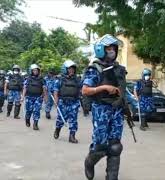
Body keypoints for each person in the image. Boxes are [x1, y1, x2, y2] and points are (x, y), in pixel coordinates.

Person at [82, 34, 127, 180]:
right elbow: (85, 90)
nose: (112, 50)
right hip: (101, 108)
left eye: (114, 47)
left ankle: (112, 177)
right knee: (100, 147)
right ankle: (89, 162)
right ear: (101, 49)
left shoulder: (118, 69)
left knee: (115, 146)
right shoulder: (94, 68)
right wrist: (104, 87)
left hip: (117, 109)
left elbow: (122, 88)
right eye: (109, 48)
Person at [53, 60, 81, 144]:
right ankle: (57, 130)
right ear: (65, 69)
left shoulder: (77, 80)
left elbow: (81, 89)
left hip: (74, 102)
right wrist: (56, 101)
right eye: (69, 69)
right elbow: (56, 91)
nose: (71, 70)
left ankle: (72, 136)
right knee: (61, 119)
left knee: (73, 120)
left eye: (73, 69)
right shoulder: (60, 79)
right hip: (63, 102)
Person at [21, 64, 47, 130]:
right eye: (34, 70)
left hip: (38, 97)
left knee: (37, 110)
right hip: (29, 97)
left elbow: (44, 89)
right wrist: (23, 97)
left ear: (38, 71)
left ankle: (35, 124)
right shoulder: (28, 78)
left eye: (36, 70)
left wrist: (45, 97)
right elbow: (25, 88)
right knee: (29, 110)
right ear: (31, 71)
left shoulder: (42, 79)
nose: (35, 72)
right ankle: (27, 119)